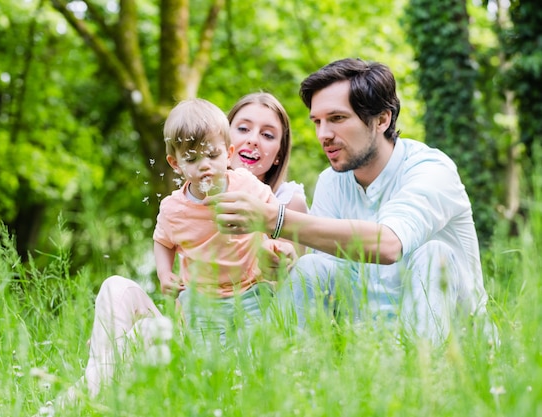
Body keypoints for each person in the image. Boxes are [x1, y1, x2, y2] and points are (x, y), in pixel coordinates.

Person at [206, 58, 494, 345]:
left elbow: (389, 244)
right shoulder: (331, 182)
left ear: (382, 119)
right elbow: (326, 277)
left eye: (337, 119)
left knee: (434, 255)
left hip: (454, 343)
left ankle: (427, 374)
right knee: (310, 268)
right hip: (369, 347)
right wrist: (285, 263)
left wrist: (274, 218)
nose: (323, 135)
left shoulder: (431, 169)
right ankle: (269, 373)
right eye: (317, 122)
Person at [47, 97, 301, 409]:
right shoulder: (174, 207)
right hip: (199, 305)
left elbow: (282, 233)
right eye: (244, 128)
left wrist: (284, 251)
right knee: (116, 290)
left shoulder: (256, 191)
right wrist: (165, 274)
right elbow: (163, 240)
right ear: (176, 163)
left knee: (226, 356)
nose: (205, 165)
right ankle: (97, 383)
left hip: (249, 297)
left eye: (267, 134)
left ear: (227, 153)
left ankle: (91, 394)